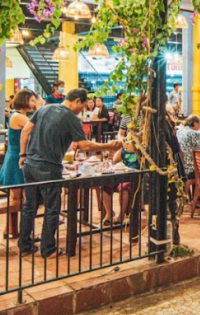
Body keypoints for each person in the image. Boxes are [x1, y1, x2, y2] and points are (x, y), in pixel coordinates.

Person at [18, 89, 122, 257]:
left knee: (30, 206)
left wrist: (23, 155)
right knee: (52, 209)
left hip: (30, 164)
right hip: (49, 168)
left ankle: (25, 246)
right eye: (82, 106)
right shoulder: (71, 118)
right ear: (77, 101)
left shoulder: (44, 108)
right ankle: (48, 249)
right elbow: (85, 146)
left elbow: (25, 131)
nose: (82, 110)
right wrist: (108, 146)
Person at [0, 89, 39, 239]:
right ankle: (15, 231)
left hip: (15, 157)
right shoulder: (18, 116)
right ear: (24, 100)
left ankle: (12, 230)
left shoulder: (17, 115)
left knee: (18, 199)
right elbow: (37, 125)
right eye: (32, 100)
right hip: (16, 159)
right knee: (17, 199)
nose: (34, 103)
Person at [101, 140, 141, 226]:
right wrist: (122, 148)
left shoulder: (140, 151)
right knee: (105, 185)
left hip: (133, 176)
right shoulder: (124, 150)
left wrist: (136, 149)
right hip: (121, 174)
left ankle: (121, 215)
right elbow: (115, 159)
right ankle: (109, 212)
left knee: (124, 188)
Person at [176, 115, 200, 181]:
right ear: (195, 123)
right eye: (199, 124)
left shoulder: (179, 131)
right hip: (191, 168)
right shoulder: (195, 133)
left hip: (181, 167)